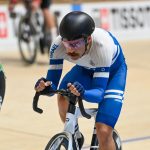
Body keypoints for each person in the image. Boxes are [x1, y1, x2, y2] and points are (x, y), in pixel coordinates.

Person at [35, 11, 127, 150]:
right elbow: (52, 84)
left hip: (113, 74)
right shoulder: (58, 46)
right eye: (67, 44)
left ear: (88, 39)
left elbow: (99, 94)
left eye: (76, 44)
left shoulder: (102, 45)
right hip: (85, 69)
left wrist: (83, 93)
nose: (70, 50)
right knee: (63, 95)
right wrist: (45, 86)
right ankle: (75, 136)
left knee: (103, 131)